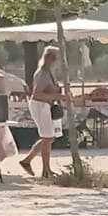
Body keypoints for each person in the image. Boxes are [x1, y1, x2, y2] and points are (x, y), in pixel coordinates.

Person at [24, 45, 64, 178]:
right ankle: (46, 170)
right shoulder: (42, 74)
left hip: (46, 105)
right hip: (40, 105)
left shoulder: (50, 73)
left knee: (49, 137)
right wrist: (57, 96)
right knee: (47, 137)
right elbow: (37, 94)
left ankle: (27, 160)